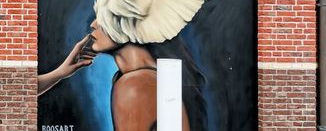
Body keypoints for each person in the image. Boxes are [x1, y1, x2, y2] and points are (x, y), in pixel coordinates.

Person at [38, 20, 204, 130]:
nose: (93, 24)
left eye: (107, 15)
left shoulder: (136, 84)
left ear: (132, 26)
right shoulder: (153, 75)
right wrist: (60, 73)